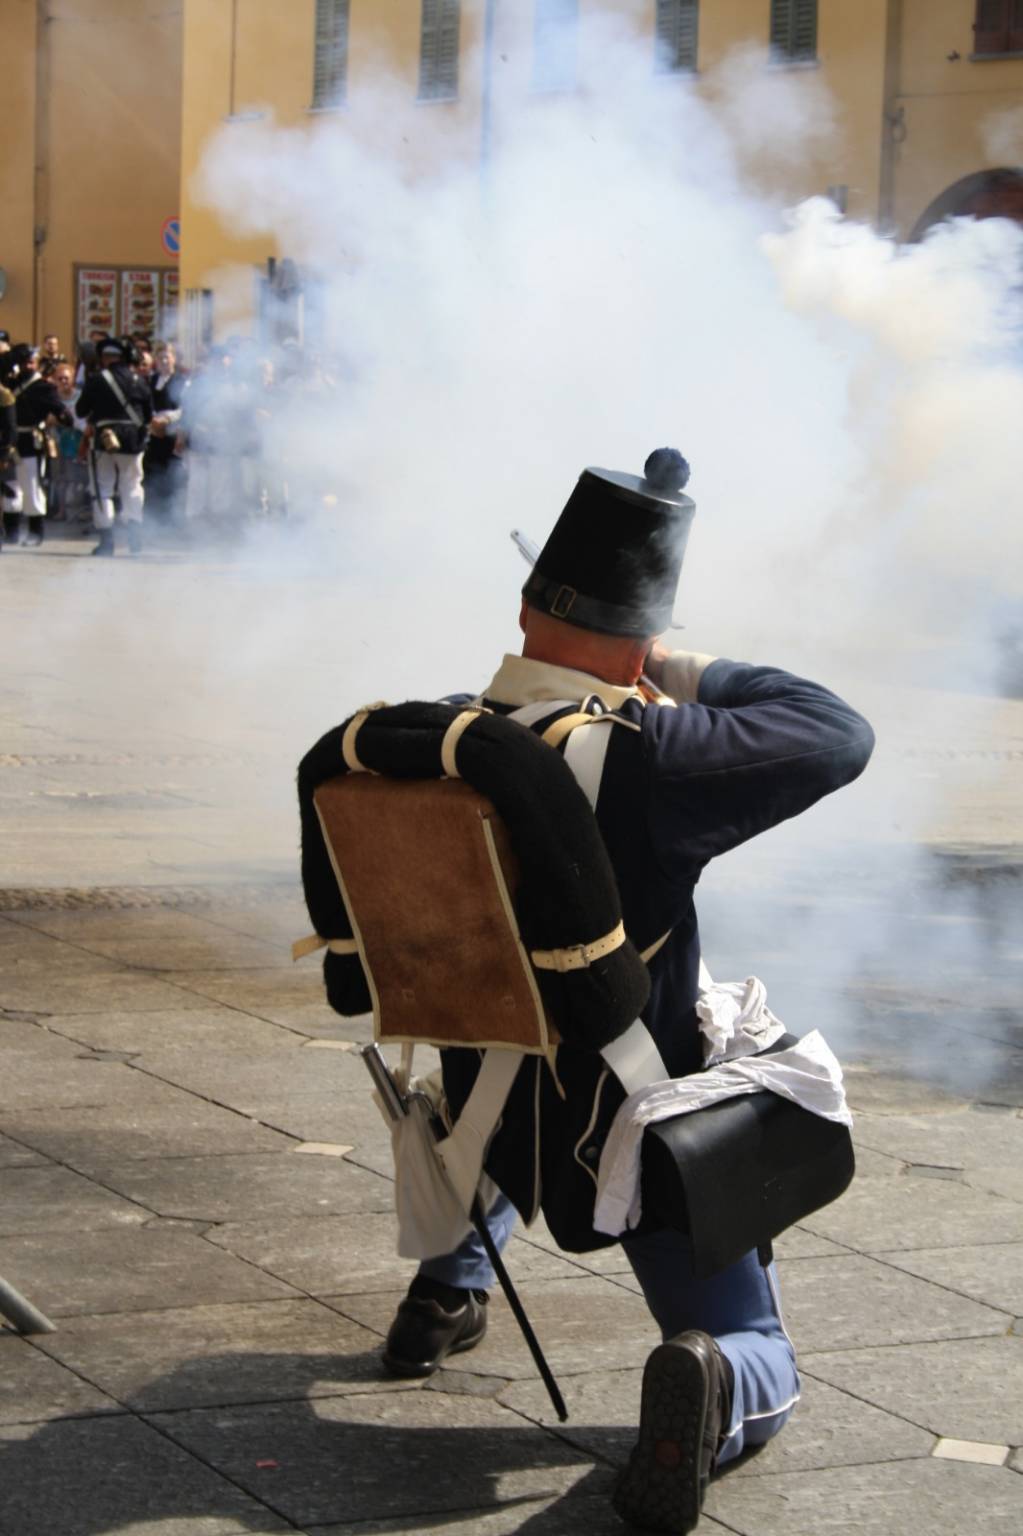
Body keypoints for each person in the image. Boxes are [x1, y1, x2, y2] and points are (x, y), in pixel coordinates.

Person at [374, 450, 875, 1533]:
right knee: (762, 1351)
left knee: (508, 1064)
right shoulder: (648, 749)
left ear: (525, 604)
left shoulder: (439, 739)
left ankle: (444, 1288)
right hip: (629, 1139)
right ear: (644, 637)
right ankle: (714, 1380)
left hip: (495, 1120)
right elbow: (839, 733)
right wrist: (682, 671)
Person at [77, 337, 153, 556]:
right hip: (133, 440)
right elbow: (148, 414)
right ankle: (134, 539)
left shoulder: (97, 379)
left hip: (104, 439)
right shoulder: (139, 380)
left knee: (103, 487)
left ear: (105, 357)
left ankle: (107, 541)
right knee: (132, 486)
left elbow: (82, 410)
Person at [0, 343, 68, 546]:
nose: (27, 365)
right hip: (7, 440)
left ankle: (35, 531)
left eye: (31, 361)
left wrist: (62, 416)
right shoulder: (8, 382)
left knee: (31, 485)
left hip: (30, 440)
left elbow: (60, 411)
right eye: (23, 361)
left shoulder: (44, 388)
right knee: (10, 486)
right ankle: (11, 532)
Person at [144, 342, 186, 524]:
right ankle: (153, 514)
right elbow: (146, 403)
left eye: (167, 357)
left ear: (174, 360)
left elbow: (184, 407)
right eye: (160, 358)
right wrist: (153, 420)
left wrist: (167, 420)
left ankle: (170, 517)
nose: (163, 361)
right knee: (152, 472)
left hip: (171, 431)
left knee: (170, 474)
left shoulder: (181, 381)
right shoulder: (150, 380)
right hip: (153, 432)